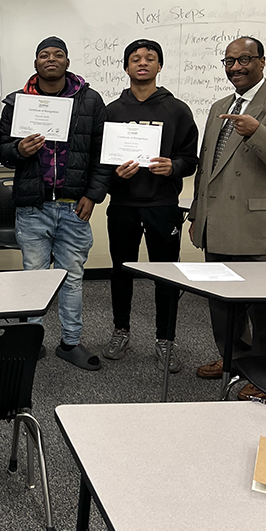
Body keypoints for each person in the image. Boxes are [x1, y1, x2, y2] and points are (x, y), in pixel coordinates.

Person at [188, 36, 266, 400]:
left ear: (262, 62)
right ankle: (234, 361)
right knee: (222, 307)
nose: (235, 68)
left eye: (243, 60)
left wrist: (258, 133)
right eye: (228, 61)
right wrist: (197, 213)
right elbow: (206, 165)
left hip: (263, 230)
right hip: (219, 225)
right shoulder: (218, 106)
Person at [0, 36, 112, 370]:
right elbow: (2, 151)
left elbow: (101, 153)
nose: (51, 59)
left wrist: (93, 195)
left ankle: (70, 342)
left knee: (72, 278)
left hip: (75, 205)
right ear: (35, 63)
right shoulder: (18, 102)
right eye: (44, 55)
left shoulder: (89, 101)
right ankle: (31, 340)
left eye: (58, 54)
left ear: (67, 61)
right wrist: (20, 151)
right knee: (33, 277)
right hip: (33, 206)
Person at [103, 39, 199, 373]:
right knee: (121, 271)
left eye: (150, 58)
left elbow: (190, 158)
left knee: (166, 275)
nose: (142, 63)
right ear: (126, 67)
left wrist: (173, 167)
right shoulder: (112, 111)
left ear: (160, 66)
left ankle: (165, 339)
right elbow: (100, 162)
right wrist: (116, 174)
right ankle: (121, 330)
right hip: (124, 204)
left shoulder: (177, 110)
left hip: (162, 204)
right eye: (135, 59)